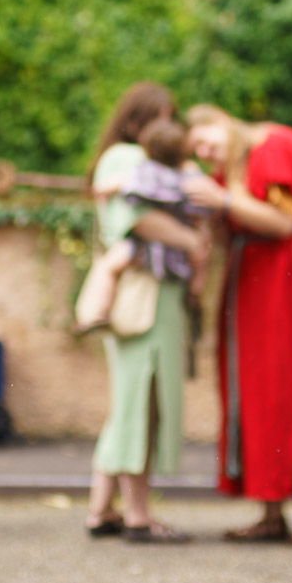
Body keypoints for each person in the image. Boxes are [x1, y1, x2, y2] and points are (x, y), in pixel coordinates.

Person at [184, 104, 292, 546]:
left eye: (204, 141)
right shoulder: (229, 167)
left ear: (221, 121)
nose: (204, 153)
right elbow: (231, 230)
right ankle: (271, 511)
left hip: (286, 280)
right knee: (257, 392)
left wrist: (222, 200)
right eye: (197, 150)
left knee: (291, 386)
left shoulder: (275, 146)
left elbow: (284, 221)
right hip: (250, 284)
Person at [83, 83, 205, 543]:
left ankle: (101, 509)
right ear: (136, 121)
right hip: (147, 297)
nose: (169, 127)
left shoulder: (131, 160)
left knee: (130, 402)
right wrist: (191, 241)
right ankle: (137, 516)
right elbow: (132, 221)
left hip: (153, 296)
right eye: (161, 117)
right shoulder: (130, 159)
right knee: (141, 403)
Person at [75, 118, 209, 332]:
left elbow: (125, 184)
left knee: (107, 266)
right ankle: (195, 293)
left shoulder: (146, 172)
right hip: (177, 251)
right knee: (200, 256)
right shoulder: (186, 178)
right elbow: (201, 206)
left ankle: (98, 314)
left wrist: (105, 187)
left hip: (142, 246)